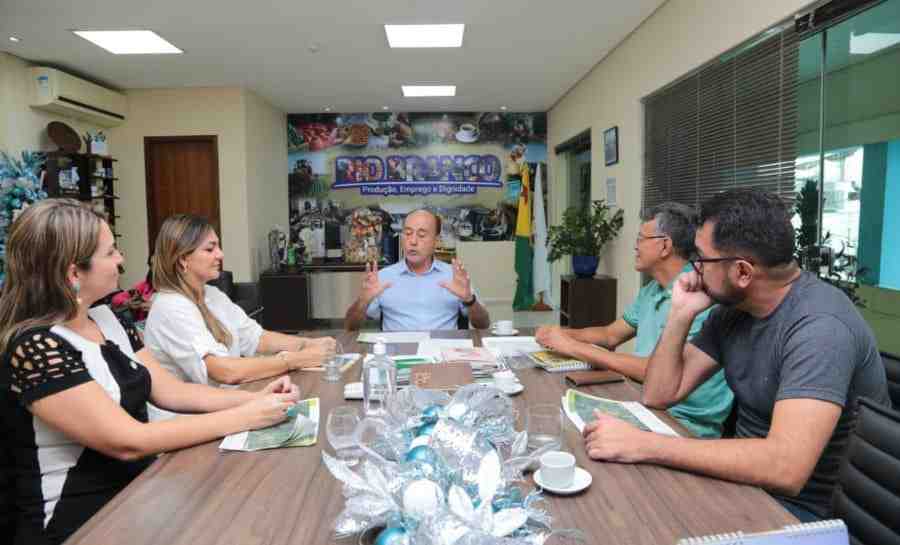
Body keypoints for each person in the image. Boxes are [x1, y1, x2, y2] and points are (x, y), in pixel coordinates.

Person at [0, 199, 300, 545]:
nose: (122, 260)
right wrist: (247, 416)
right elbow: (129, 440)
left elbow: (172, 391)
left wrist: (255, 398)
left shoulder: (108, 319)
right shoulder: (36, 346)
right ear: (73, 273)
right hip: (81, 524)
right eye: (111, 252)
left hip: (139, 495)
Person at [581, 189, 890, 522]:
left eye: (701, 258)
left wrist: (645, 445)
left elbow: (786, 468)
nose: (693, 269)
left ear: (743, 272)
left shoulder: (821, 328)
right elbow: (659, 393)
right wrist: (680, 314)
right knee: (615, 502)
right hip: (743, 485)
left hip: (803, 513)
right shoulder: (733, 310)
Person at [536, 203, 733, 438]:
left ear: (664, 245)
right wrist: (559, 334)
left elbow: (656, 372)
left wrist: (573, 347)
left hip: (683, 424)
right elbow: (611, 335)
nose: (635, 246)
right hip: (645, 404)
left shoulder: (698, 297)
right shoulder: (651, 290)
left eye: (641, 238)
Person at [144, 215, 335, 398]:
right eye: (210, 249)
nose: (220, 254)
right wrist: (295, 359)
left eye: (218, 247)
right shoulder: (170, 307)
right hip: (187, 422)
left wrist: (307, 344)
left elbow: (256, 338)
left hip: (228, 401)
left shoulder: (212, 295)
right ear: (182, 260)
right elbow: (224, 371)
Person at [344, 209, 490, 331]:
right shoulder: (383, 277)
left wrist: (469, 300)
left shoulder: (454, 276)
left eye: (421, 235)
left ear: (436, 241)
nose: (412, 241)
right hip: (397, 357)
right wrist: (362, 301)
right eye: (407, 233)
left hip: (442, 357)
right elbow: (350, 327)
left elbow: (483, 325)